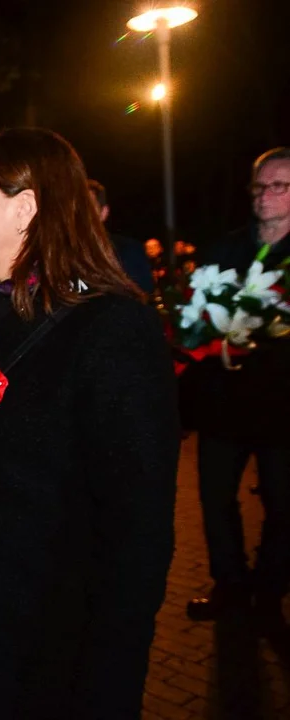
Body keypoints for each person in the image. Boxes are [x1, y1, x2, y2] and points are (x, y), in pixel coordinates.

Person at [0, 127, 179, 718]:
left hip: (56, 651)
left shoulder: (110, 330)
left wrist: (110, 675)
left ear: (26, 208)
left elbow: (137, 531)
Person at [181, 146, 290, 629]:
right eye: (259, 186)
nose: (265, 196)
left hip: (283, 407)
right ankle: (230, 585)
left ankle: (268, 593)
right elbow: (193, 318)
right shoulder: (224, 250)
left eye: (279, 186)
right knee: (215, 499)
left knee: (282, 504)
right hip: (224, 404)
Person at [87, 178, 155, 294]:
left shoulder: (128, 250)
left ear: (103, 213)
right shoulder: (56, 256)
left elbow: (143, 297)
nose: (78, 215)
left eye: (88, 208)